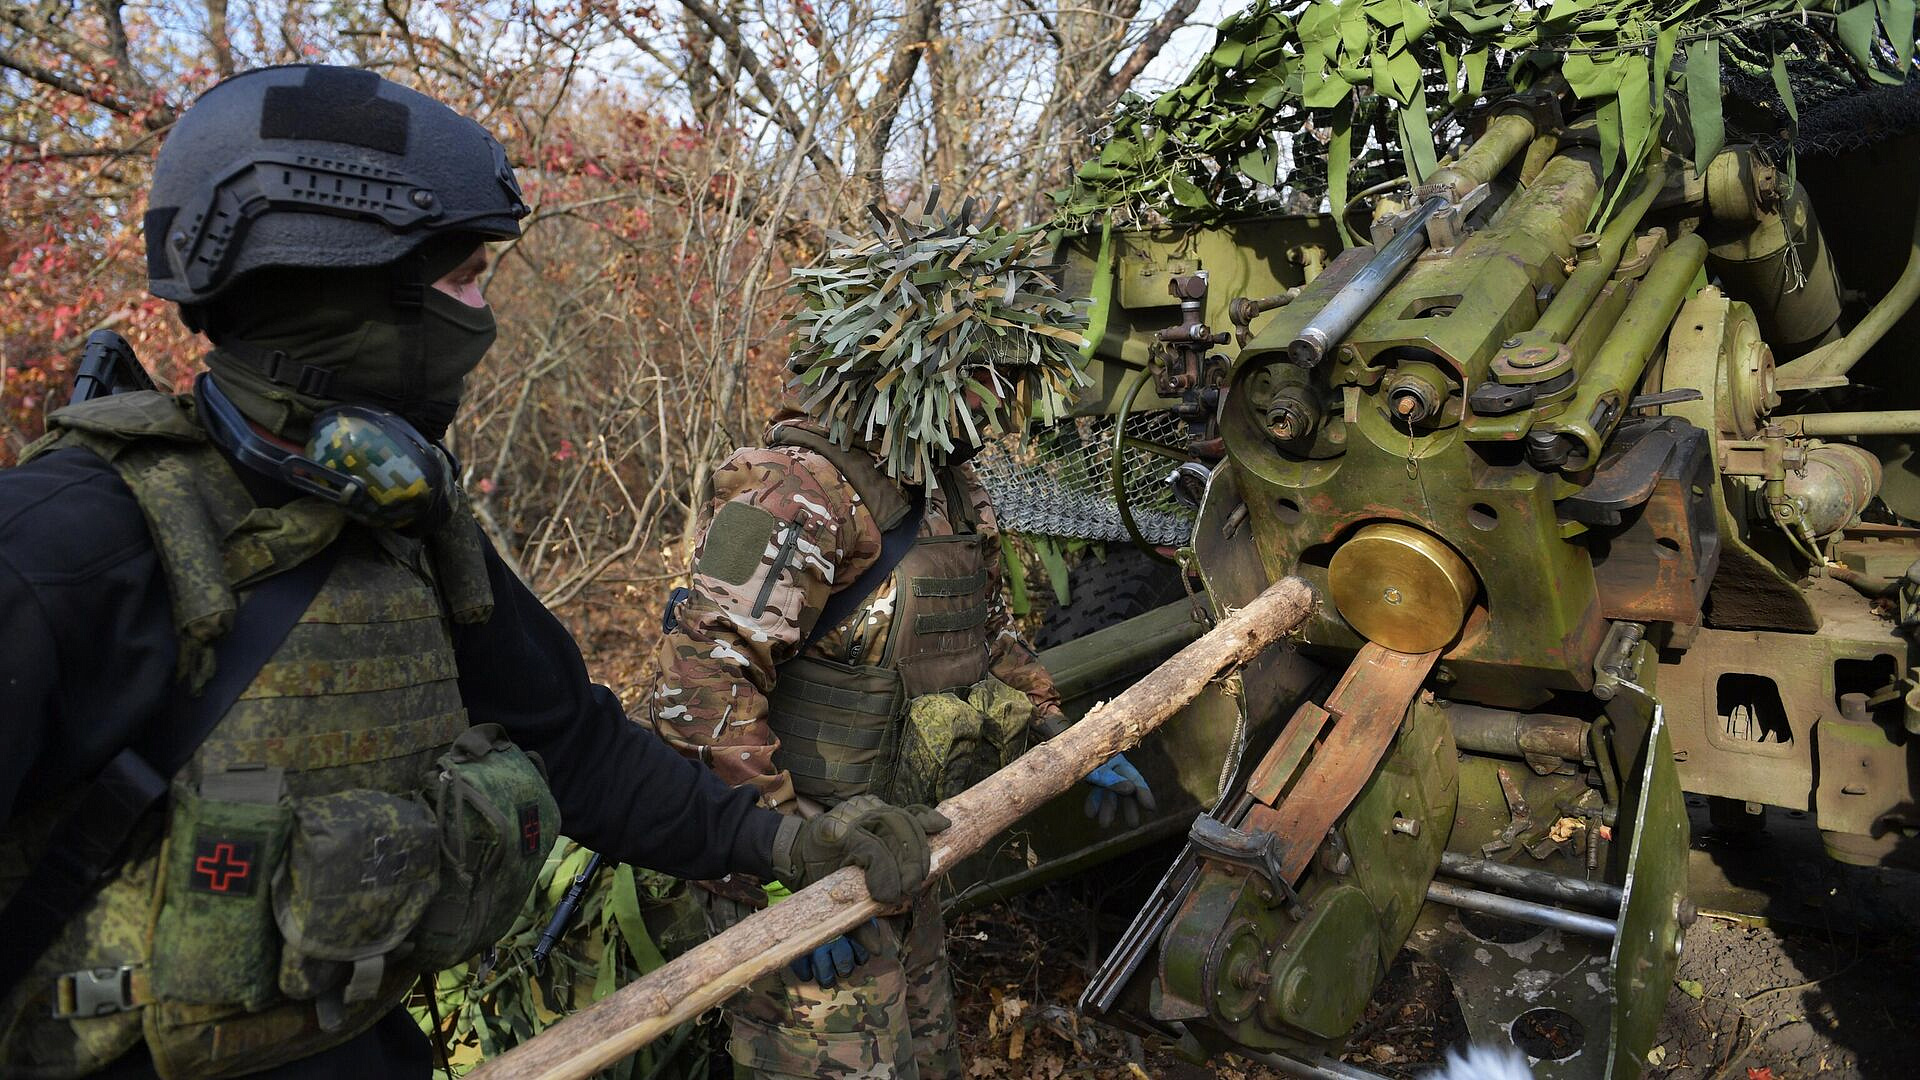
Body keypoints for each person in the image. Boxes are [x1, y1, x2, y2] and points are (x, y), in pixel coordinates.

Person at [0, 65, 944, 1079]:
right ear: (340, 285)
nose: (484, 318)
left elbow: (576, 751)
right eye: (461, 281)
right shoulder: (66, 548)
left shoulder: (413, 532)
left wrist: (782, 846)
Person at [650, 197, 1157, 1079]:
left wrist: (1062, 738)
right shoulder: (794, 499)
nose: (999, 407)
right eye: (984, 378)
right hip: (795, 865)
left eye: (1010, 381)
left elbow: (989, 639)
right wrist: (780, 891)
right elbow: (699, 700)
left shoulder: (952, 494)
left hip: (896, 857)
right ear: (907, 366)